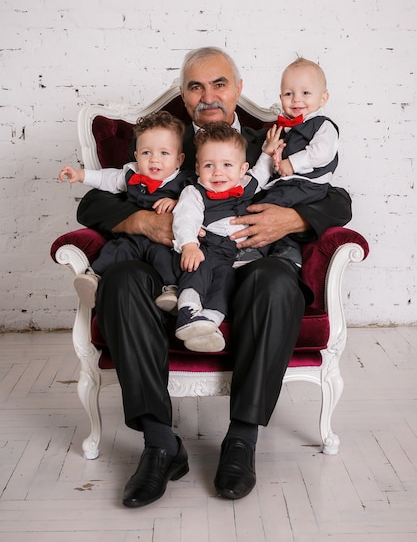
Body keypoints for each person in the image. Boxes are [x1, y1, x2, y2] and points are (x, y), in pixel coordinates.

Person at [76, 46, 352, 507]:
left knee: (278, 283)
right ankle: (160, 442)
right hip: (170, 267)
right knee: (121, 282)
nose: (208, 95)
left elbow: (337, 197)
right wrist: (144, 222)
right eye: (195, 86)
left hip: (246, 264)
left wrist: (293, 220)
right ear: (183, 97)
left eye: (219, 83)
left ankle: (241, 440)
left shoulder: (278, 136)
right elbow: (96, 200)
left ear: (239, 90)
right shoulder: (164, 139)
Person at [59, 111, 193, 311]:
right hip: (133, 235)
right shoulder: (130, 174)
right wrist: (80, 175)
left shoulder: (184, 182)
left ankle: (170, 291)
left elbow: (196, 201)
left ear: (179, 159)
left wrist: (176, 202)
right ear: (137, 156)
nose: (154, 160)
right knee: (115, 250)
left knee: (166, 259)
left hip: (162, 240)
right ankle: (92, 279)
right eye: (147, 153)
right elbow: (105, 179)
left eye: (164, 153)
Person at [172, 121, 281, 353]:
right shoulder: (194, 191)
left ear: (242, 170)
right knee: (197, 268)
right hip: (208, 246)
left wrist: (269, 151)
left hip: (233, 255)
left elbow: (262, 171)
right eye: (209, 165)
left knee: (225, 283)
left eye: (227, 165)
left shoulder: (245, 184)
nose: (218, 172)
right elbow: (186, 218)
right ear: (198, 167)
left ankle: (209, 322)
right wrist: (190, 245)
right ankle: (187, 311)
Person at [255, 56, 339, 266]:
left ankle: (260, 249)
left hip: (308, 184)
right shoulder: (284, 129)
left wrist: (291, 163)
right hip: (289, 182)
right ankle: (281, 250)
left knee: (269, 207)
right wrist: (272, 154)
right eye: (289, 94)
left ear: (323, 98)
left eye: (306, 93)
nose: (296, 100)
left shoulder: (323, 126)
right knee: (261, 202)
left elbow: (321, 152)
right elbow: (276, 162)